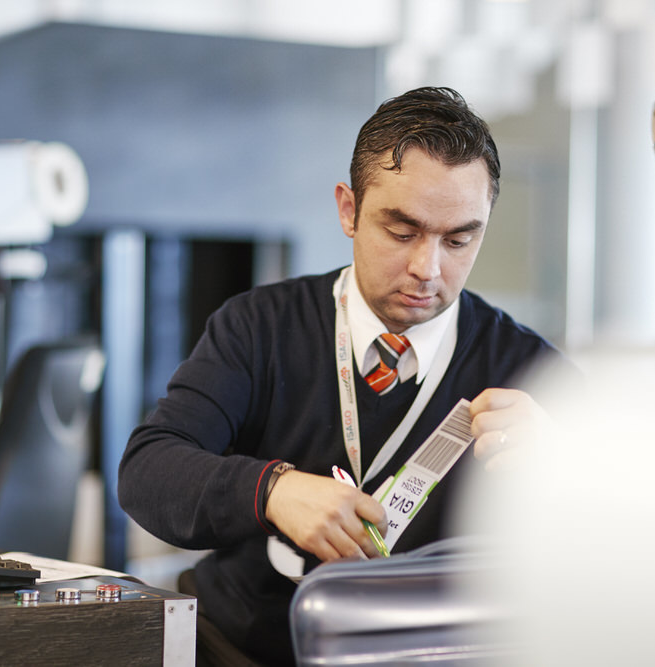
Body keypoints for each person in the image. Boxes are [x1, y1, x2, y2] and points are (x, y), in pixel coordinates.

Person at [118, 86, 574, 665]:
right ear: (349, 211)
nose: (427, 269)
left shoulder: (529, 369)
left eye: (459, 239)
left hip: (427, 654)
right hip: (242, 642)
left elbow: (636, 550)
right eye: (402, 231)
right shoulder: (260, 325)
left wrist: (573, 475)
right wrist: (272, 491)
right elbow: (148, 470)